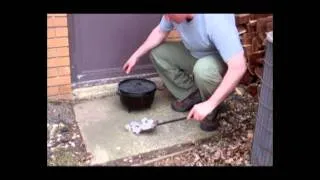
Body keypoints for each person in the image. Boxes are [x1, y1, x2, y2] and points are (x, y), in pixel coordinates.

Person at [123, 14, 247, 131]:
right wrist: (136, 55)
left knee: (203, 70)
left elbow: (238, 67)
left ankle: (211, 108)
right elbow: (160, 31)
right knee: (158, 53)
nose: (166, 17)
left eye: (169, 14)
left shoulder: (216, 19)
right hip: (194, 53)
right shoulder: (171, 15)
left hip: (218, 60)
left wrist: (210, 104)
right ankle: (192, 93)